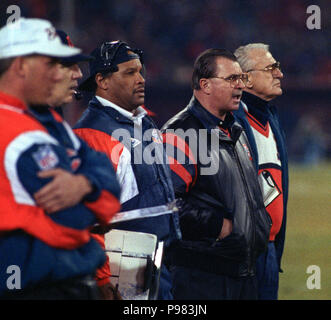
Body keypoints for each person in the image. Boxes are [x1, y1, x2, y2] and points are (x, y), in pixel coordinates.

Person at [0, 18, 121, 299]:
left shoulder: (49, 121)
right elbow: (73, 222)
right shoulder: (14, 132)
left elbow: (108, 183)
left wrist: (86, 186)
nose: (67, 75)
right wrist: (95, 195)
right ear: (20, 67)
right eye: (53, 65)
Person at [73, 40, 181, 299]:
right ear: (103, 80)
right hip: (122, 267)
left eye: (141, 71)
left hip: (157, 262)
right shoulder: (94, 133)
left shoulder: (143, 121)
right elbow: (86, 216)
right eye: (130, 73)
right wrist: (101, 276)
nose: (141, 79)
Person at [161, 48, 271, 300]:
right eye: (232, 79)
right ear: (205, 85)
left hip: (243, 272)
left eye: (241, 78)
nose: (240, 86)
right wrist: (218, 226)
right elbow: (167, 204)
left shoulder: (235, 129)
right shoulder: (181, 132)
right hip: (202, 277)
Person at [233, 43, 288, 300]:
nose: (280, 74)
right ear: (246, 79)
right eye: (271, 68)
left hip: (269, 249)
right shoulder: (232, 123)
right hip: (244, 252)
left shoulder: (270, 118)